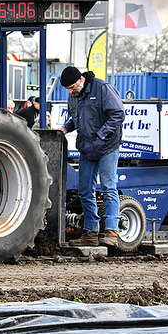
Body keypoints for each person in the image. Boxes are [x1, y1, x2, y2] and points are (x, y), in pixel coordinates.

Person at [59, 66, 125, 248]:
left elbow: (118, 114)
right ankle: (91, 232)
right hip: (87, 148)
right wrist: (66, 128)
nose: (70, 92)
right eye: (68, 90)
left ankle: (111, 232)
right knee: (85, 190)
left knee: (108, 187)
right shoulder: (73, 95)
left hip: (107, 146)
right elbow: (76, 118)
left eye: (72, 87)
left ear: (81, 79)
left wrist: (101, 135)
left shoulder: (102, 88)